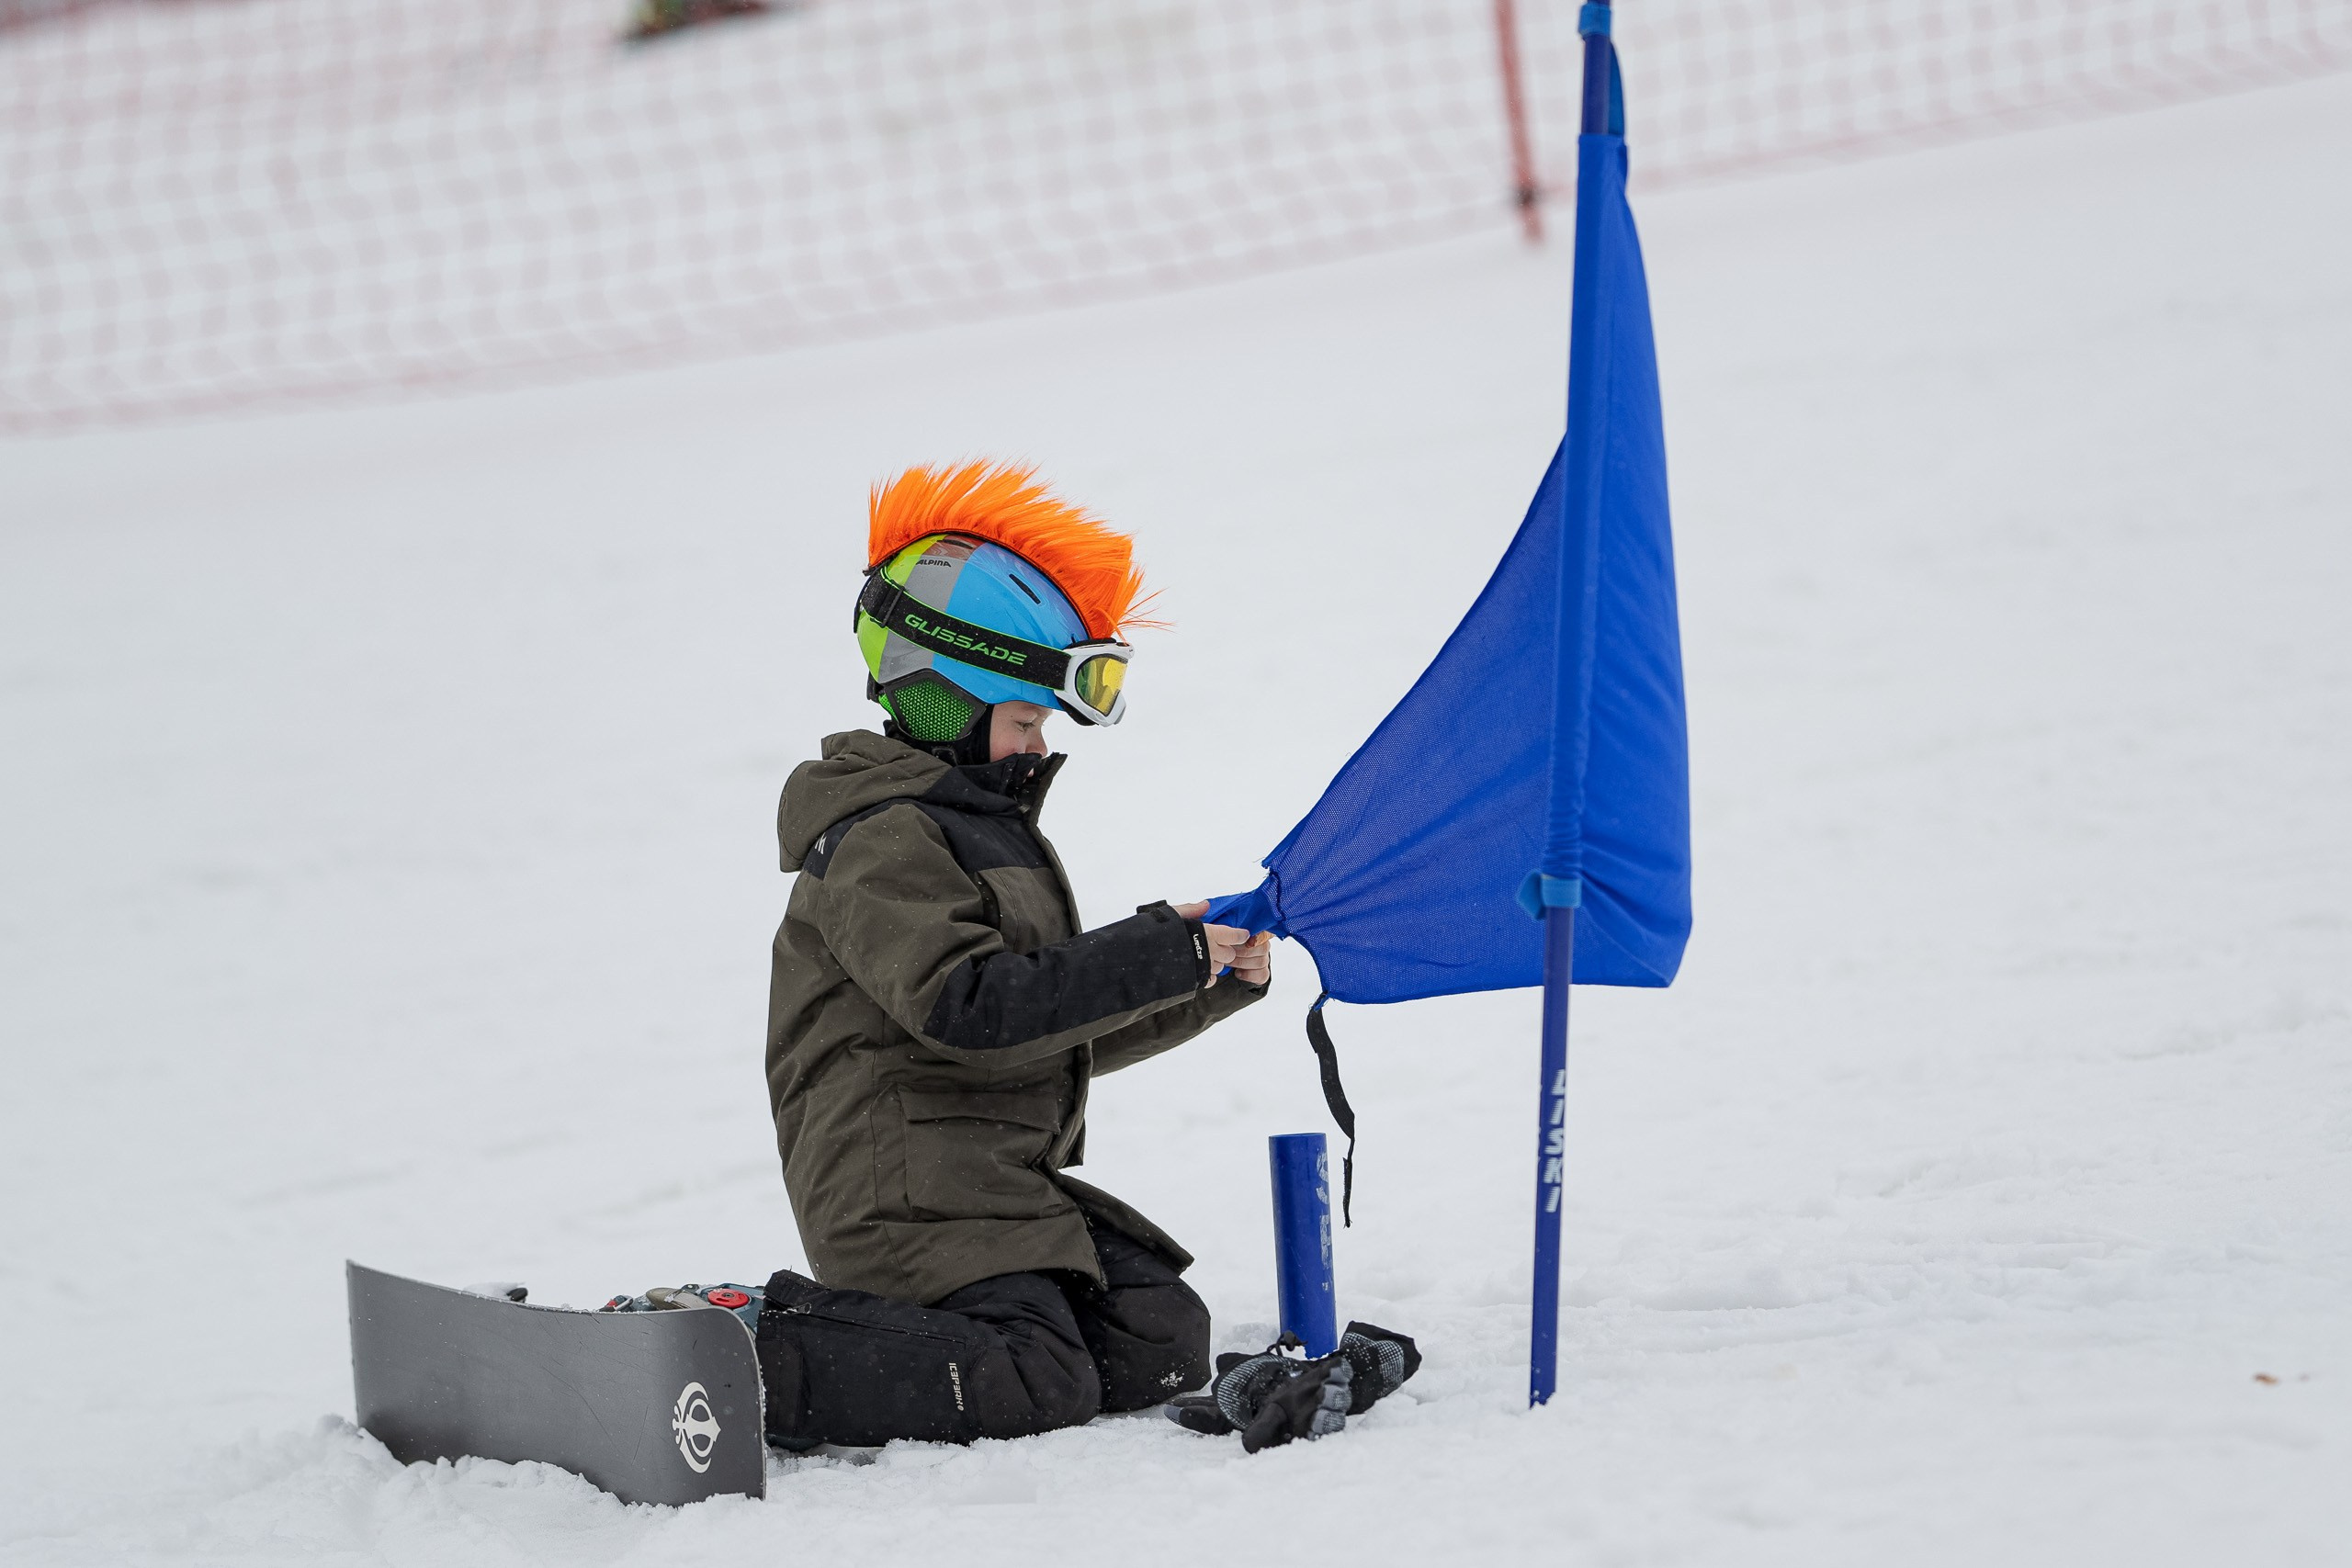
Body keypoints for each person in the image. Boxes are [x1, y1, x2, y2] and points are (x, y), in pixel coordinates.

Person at [614, 462, 1416, 1450]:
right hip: (899, 1191)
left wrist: (1199, 975)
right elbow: (973, 1010)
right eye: (1027, 717)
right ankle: (733, 1343)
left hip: (991, 1183)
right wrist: (1161, 949)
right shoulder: (879, 838)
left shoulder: (980, 830)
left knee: (1155, 1341)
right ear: (947, 694)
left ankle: (874, 1338)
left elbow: (1042, 1028)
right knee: (1028, 1379)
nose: (1039, 744)